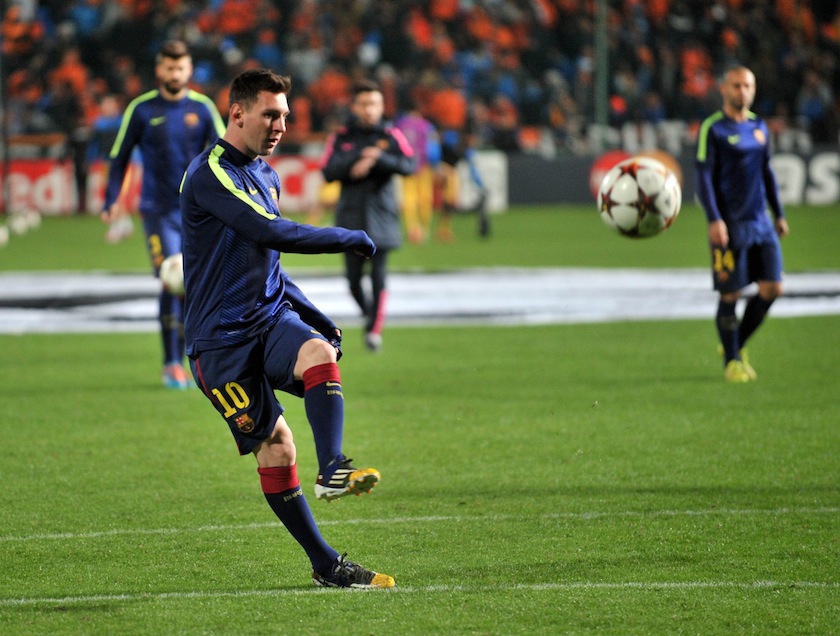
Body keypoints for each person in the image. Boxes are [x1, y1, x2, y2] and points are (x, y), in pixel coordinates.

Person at [179, 68, 394, 589]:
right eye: (271, 115)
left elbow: (268, 259)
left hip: (269, 317)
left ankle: (333, 469)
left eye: (285, 116)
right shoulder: (211, 173)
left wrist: (313, 313)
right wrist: (347, 237)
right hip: (220, 343)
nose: (281, 125)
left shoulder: (265, 173)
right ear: (238, 113)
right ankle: (327, 565)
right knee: (276, 446)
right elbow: (270, 231)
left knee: (319, 353)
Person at [102, 40, 225, 389]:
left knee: (194, 287)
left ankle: (192, 358)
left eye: (181, 67)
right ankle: (171, 362)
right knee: (173, 278)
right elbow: (119, 157)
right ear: (160, 70)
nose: (175, 73)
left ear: (189, 71)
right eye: (169, 68)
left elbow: (224, 154)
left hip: (197, 212)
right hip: (158, 210)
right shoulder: (141, 109)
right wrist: (112, 198)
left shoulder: (201, 109)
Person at [695, 66, 789, 383]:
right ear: (724, 89)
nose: (742, 91)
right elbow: (704, 177)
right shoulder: (713, 128)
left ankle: (736, 346)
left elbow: (767, 174)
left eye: (748, 85)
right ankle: (732, 362)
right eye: (736, 85)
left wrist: (779, 214)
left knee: (773, 287)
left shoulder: (760, 127)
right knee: (731, 294)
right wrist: (714, 219)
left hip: (760, 222)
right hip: (730, 224)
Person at [320, 80, 416, 351]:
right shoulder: (341, 136)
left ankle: (374, 330)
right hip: (350, 218)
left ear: (382, 106)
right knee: (352, 281)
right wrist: (360, 157)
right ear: (354, 106)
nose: (369, 109)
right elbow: (327, 171)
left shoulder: (391, 135)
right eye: (364, 103)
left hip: (381, 217)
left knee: (378, 276)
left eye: (374, 103)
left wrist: (378, 158)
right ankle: (370, 315)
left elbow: (410, 165)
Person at [394, 106, 441, 244]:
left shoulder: (400, 125)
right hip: (423, 166)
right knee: (425, 198)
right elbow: (433, 148)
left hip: (407, 167)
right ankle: (424, 230)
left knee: (409, 199)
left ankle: (412, 230)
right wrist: (435, 164)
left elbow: (395, 146)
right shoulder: (426, 125)